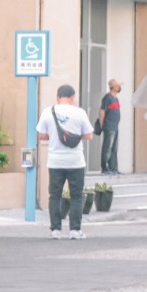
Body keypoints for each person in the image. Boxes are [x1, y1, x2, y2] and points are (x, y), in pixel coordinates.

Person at [36, 84, 94, 240]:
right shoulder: (79, 112)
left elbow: (41, 135)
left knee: (54, 196)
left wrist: (56, 137)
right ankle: (75, 230)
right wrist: (73, 137)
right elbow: (89, 136)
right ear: (72, 98)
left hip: (55, 162)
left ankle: (55, 230)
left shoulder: (48, 112)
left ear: (57, 97)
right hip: (75, 161)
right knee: (76, 196)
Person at [99, 79, 123, 175]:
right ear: (113, 87)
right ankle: (105, 168)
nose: (119, 87)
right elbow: (102, 111)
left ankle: (113, 168)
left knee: (114, 148)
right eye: (117, 86)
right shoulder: (107, 98)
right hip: (109, 126)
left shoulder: (116, 98)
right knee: (107, 147)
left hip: (115, 126)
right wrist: (102, 124)